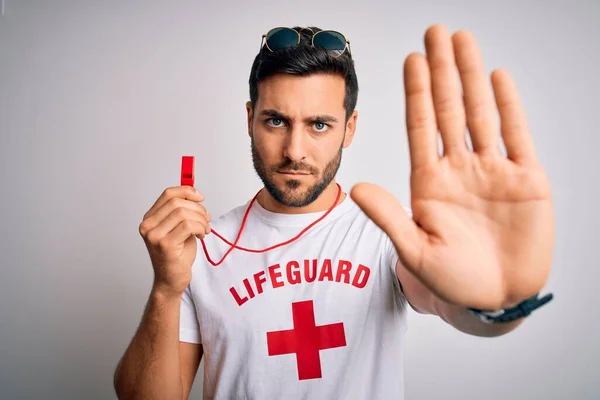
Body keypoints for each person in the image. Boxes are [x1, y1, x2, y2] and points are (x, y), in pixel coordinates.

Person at [113, 24, 555, 400]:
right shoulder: (202, 247)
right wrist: (166, 289)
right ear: (250, 119)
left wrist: (499, 301)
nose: (295, 151)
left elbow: (448, 300)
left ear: (350, 129)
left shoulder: (390, 233)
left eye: (319, 124)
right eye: (276, 121)